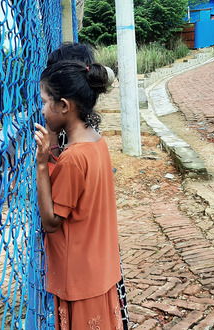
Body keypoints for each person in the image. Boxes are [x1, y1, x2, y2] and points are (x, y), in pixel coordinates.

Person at [44, 43, 129, 329]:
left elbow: (53, 221)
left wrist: (42, 163)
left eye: (45, 101)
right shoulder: (96, 140)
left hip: (79, 273)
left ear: (64, 103)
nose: (41, 109)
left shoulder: (73, 155)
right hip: (100, 264)